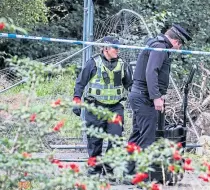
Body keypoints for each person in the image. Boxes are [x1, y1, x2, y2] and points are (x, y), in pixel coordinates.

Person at [126, 24, 192, 174]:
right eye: (180, 47)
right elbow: (151, 72)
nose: (179, 50)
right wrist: (156, 97)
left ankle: (128, 172)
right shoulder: (160, 47)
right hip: (144, 97)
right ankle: (140, 174)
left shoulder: (155, 44)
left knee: (137, 135)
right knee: (147, 137)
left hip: (140, 95)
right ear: (176, 42)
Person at [72, 36, 133, 177]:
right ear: (105, 49)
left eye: (118, 48)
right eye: (115, 48)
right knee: (95, 140)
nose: (118, 50)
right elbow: (80, 83)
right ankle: (94, 169)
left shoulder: (122, 65)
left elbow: (131, 85)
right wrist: (76, 100)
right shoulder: (92, 63)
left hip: (115, 108)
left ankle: (108, 168)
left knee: (116, 139)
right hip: (95, 108)